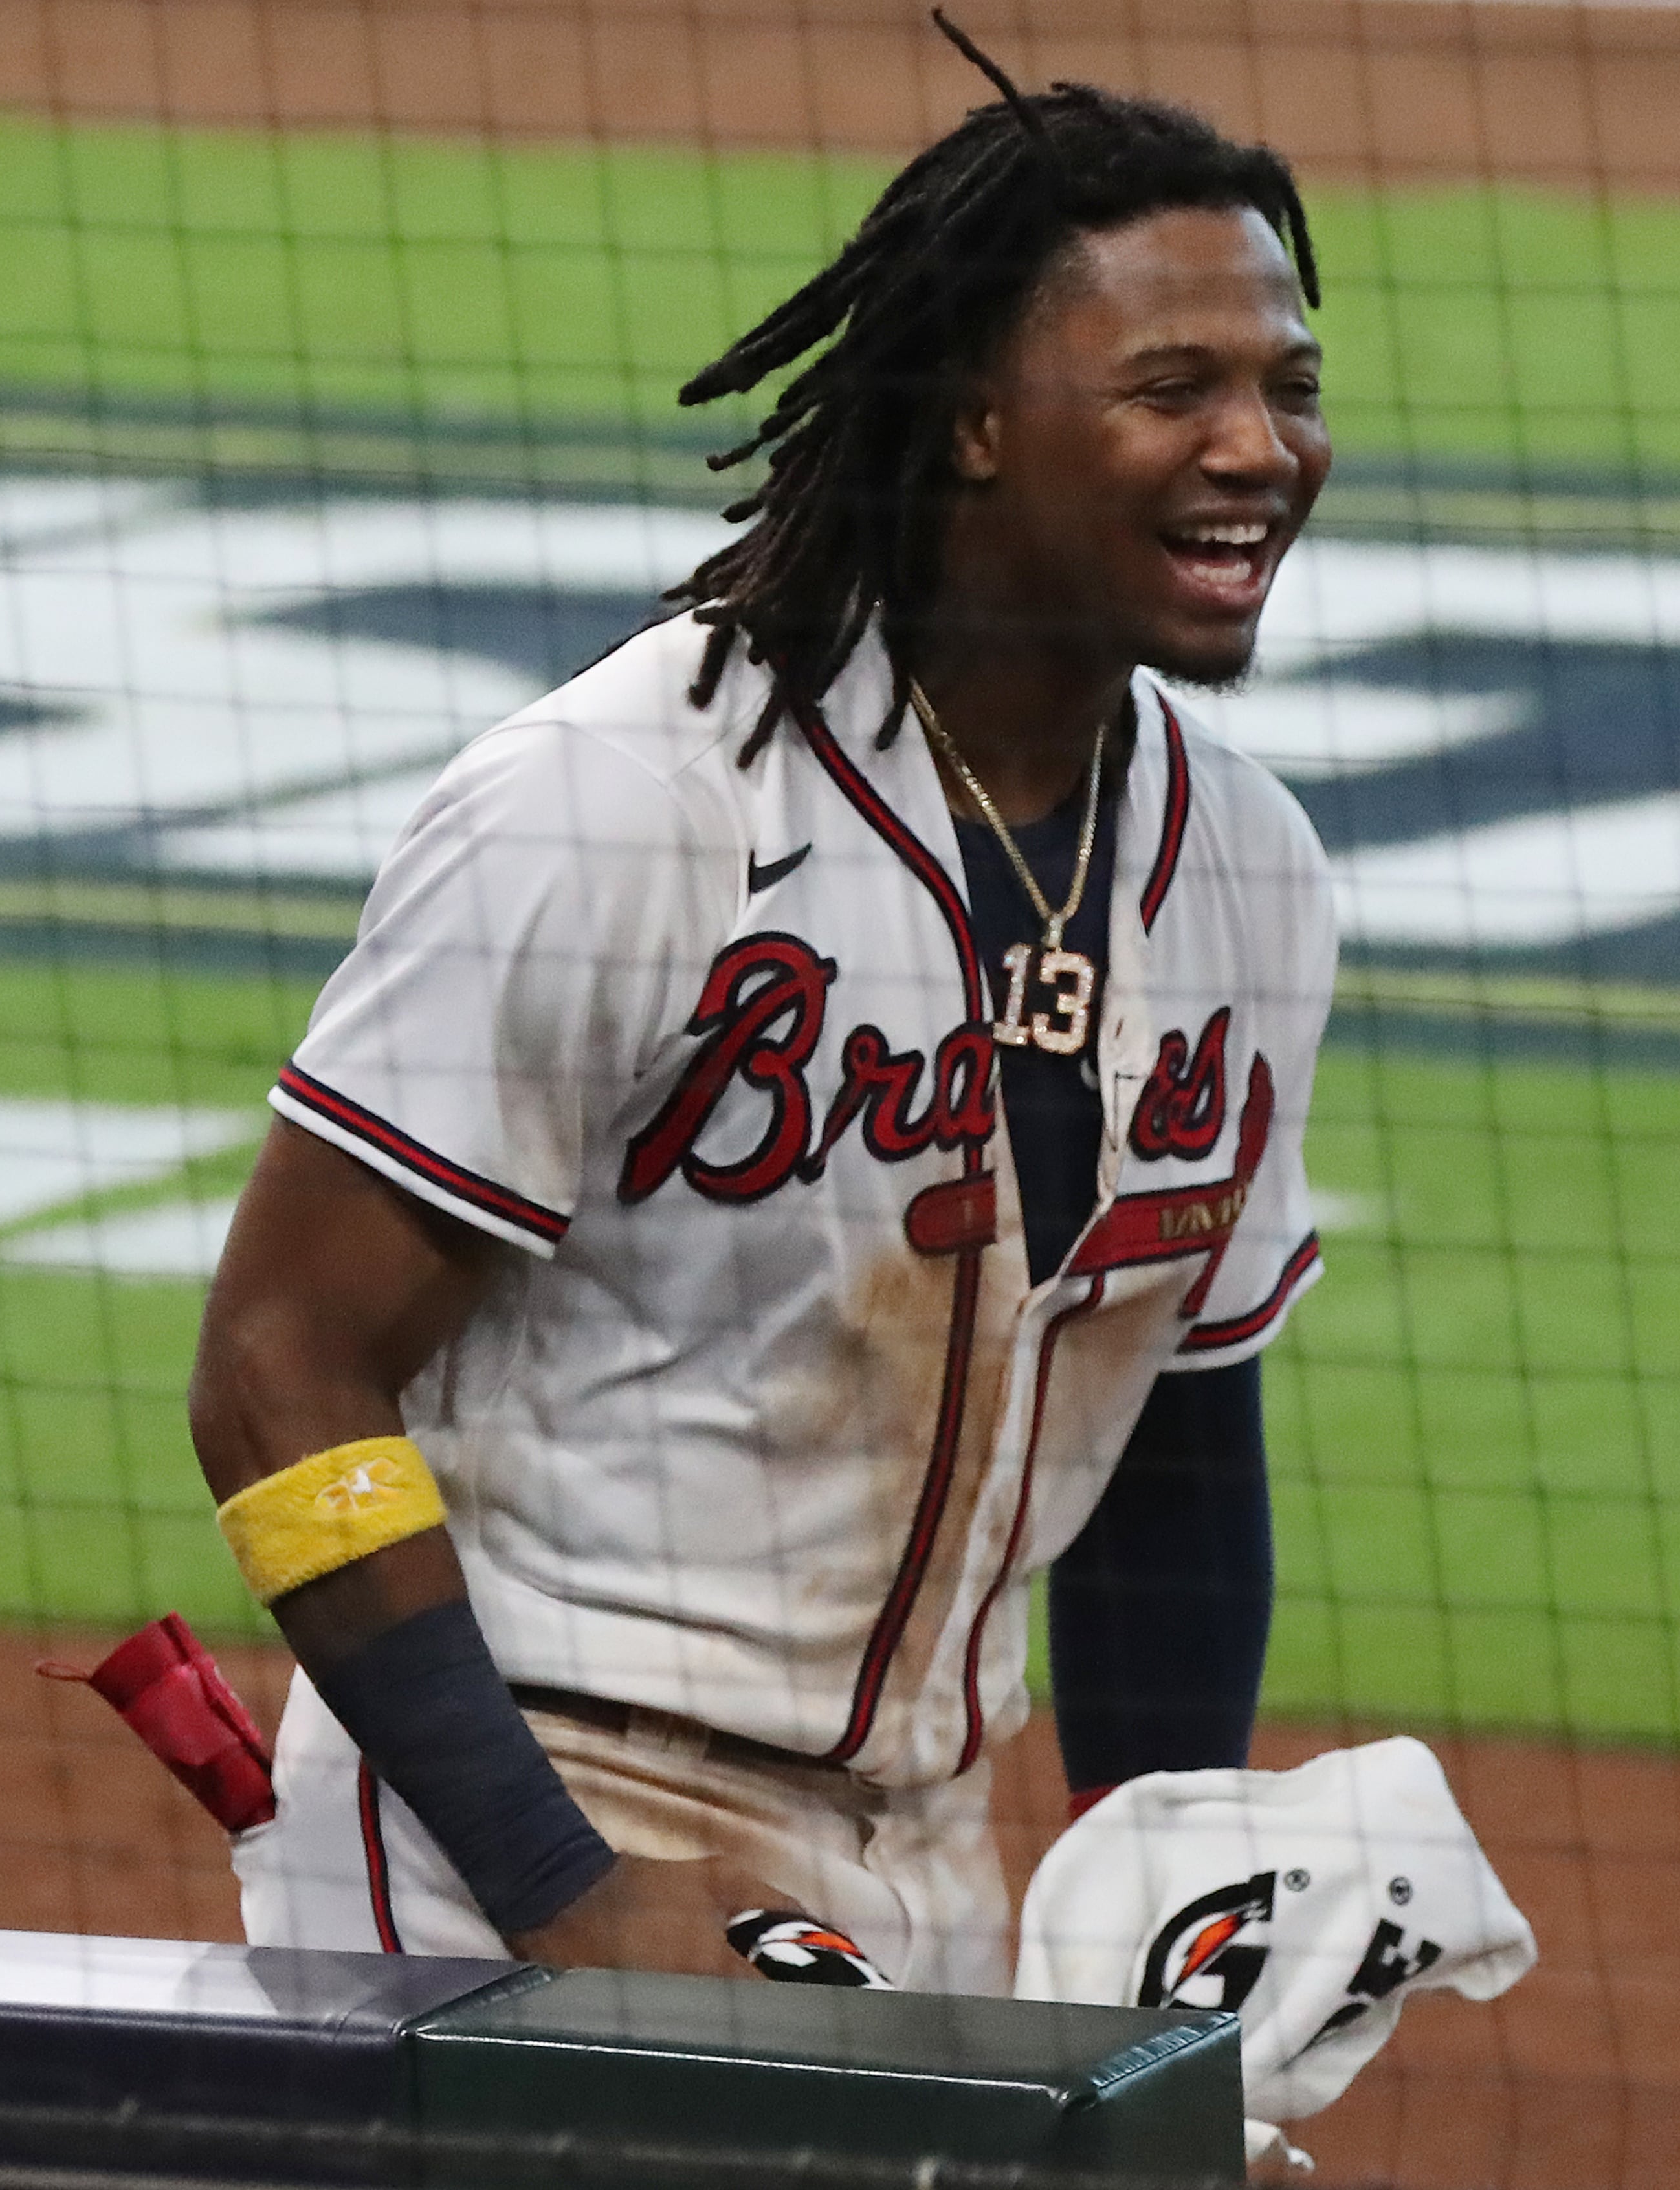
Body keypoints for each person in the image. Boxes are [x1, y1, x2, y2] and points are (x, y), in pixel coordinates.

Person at [188, 19, 1338, 1992]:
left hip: (919, 1867)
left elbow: (1171, 1444)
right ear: (976, 420)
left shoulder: (1247, 872)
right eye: (1175, 387)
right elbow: (279, 1368)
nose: (1261, 449)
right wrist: (561, 1882)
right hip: (524, 1829)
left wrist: (1171, 1905)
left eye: (1289, 387)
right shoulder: (631, 803)